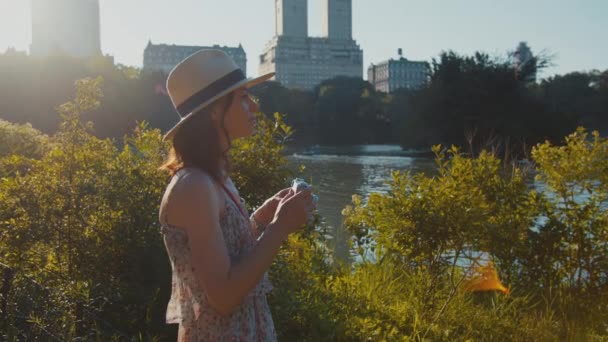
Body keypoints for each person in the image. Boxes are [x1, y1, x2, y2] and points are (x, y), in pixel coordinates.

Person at [158, 50, 314, 341]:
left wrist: (261, 219)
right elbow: (224, 296)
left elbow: (224, 256)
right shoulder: (194, 186)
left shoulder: (212, 176)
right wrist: (280, 227)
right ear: (215, 110)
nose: (255, 107)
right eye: (243, 97)